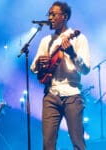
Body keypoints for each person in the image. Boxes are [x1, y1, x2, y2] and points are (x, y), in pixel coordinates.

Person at [31, 1, 90, 150]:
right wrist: (39, 63)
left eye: (53, 14)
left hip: (72, 95)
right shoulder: (46, 41)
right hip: (51, 94)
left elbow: (86, 69)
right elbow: (34, 68)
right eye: (49, 14)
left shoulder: (78, 38)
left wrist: (72, 53)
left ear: (64, 16)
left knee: (78, 142)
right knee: (48, 144)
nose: (50, 17)